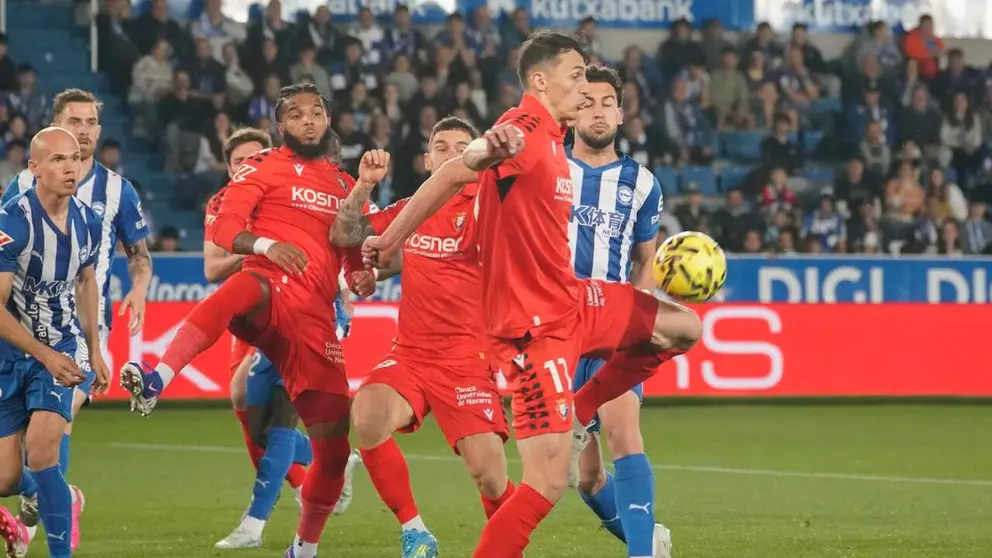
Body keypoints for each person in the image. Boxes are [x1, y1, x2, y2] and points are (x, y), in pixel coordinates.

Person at [362, 31, 701, 557]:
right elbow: (458, 168)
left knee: (682, 327)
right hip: (531, 332)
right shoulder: (519, 130)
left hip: (574, 300)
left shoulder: (554, 137)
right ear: (541, 82)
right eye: (574, 75)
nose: (583, 84)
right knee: (546, 482)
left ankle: (582, 413)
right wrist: (388, 238)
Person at [118, 83, 379, 558]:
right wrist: (265, 246)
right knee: (243, 289)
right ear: (281, 127)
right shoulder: (261, 166)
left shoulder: (343, 185)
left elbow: (349, 251)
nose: (308, 120)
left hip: (315, 320)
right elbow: (222, 227)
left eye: (317, 112)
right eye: (297, 114)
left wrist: (359, 276)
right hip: (269, 293)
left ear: (327, 121)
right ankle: (157, 377)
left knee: (333, 447)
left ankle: (303, 548)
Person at [330, 117, 512, 558]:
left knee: (489, 476)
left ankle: (509, 547)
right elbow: (347, 238)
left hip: (468, 360)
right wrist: (363, 188)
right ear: (428, 160)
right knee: (368, 413)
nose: (452, 154)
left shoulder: (490, 207)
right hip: (410, 355)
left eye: (463, 146)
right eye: (441, 147)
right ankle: (415, 532)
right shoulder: (412, 210)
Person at [2, 88, 152, 552]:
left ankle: (52, 535)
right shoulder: (16, 206)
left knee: (50, 437)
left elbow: (121, 265)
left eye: (90, 123)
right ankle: (56, 498)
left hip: (74, 333)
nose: (83, 132)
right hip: (17, 339)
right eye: (74, 122)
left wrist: (136, 294)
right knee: (10, 472)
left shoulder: (110, 196)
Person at [200, 126, 359, 549]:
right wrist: (265, 246)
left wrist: (344, 286)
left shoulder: (301, 193)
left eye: (258, 157)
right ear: (229, 166)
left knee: (282, 411)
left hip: (304, 312)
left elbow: (337, 246)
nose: (249, 166)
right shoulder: (222, 205)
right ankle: (333, 460)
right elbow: (213, 269)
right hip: (255, 306)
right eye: (239, 161)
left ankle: (253, 524)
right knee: (249, 412)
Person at [567, 65, 671, 557]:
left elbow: (646, 259)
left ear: (621, 110)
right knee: (585, 478)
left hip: (612, 327)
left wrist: (635, 314)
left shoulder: (642, 183)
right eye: (585, 102)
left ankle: (642, 553)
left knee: (623, 432)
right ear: (570, 111)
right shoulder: (547, 170)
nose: (598, 111)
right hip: (557, 334)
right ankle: (647, 537)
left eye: (607, 101)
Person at [0, 127, 110, 558]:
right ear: (34, 168)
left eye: (75, 159)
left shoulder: (89, 220)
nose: (71, 168)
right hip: (14, 354)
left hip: (61, 347)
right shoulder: (12, 222)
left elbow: (86, 282)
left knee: (43, 451)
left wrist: (94, 348)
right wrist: (41, 353)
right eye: (59, 160)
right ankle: (63, 497)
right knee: (8, 479)